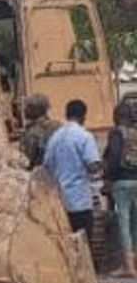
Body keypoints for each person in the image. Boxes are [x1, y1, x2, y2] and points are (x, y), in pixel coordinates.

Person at [43, 99, 102, 242]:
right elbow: (92, 166)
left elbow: (46, 167)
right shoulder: (84, 136)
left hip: (59, 201)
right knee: (84, 244)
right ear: (83, 116)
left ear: (66, 114)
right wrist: (102, 165)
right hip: (79, 200)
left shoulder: (54, 138)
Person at [103, 102, 137, 276]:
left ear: (117, 116)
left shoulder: (117, 133)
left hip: (121, 184)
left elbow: (114, 157)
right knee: (135, 223)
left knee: (123, 222)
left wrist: (109, 178)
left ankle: (128, 267)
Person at [20, 92, 60, 170]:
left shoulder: (32, 132)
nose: (24, 110)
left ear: (38, 109)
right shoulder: (57, 126)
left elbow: (27, 161)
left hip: (41, 175)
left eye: (28, 107)